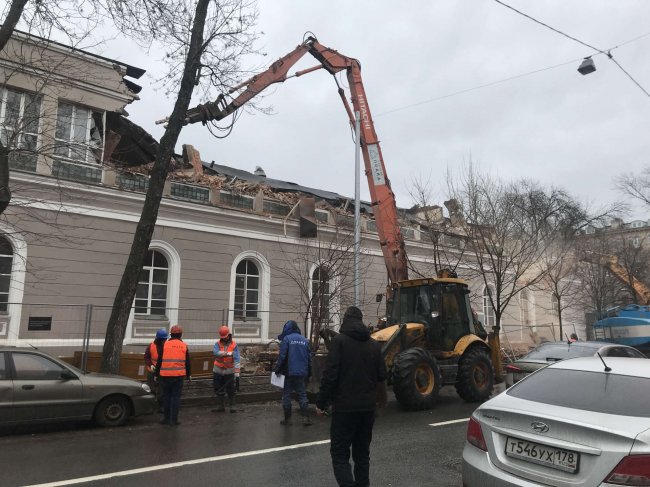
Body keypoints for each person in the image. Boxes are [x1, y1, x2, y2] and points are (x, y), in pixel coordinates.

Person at [316, 306, 388, 487]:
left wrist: (321, 403)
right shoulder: (373, 345)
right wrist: (381, 402)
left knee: (340, 454)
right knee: (362, 455)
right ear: (361, 320)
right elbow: (382, 377)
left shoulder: (339, 342)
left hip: (344, 409)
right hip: (367, 409)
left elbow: (330, 375)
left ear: (345, 320)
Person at [274, 320, 312, 426]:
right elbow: (309, 358)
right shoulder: (305, 340)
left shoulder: (287, 339)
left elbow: (282, 357)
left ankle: (288, 419)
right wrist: (309, 372)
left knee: (286, 395)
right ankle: (306, 418)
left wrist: (277, 369)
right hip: (301, 373)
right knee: (302, 394)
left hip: (288, 373)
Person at [155, 325, 191, 426]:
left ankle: (166, 419)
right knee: (175, 398)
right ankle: (173, 420)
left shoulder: (165, 345)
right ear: (180, 334)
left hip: (165, 375)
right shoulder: (184, 346)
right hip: (178, 376)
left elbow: (159, 360)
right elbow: (187, 362)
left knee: (166, 397)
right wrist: (188, 375)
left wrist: (156, 374)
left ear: (171, 334)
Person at [212, 325, 240, 413]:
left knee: (231, 389)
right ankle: (220, 406)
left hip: (229, 371)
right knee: (218, 388)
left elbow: (237, 359)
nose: (224, 338)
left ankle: (232, 406)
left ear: (229, 335)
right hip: (218, 370)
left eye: (225, 336)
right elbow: (215, 353)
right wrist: (228, 353)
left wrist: (237, 372)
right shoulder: (217, 343)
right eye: (222, 337)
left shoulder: (234, 345)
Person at [144, 328, 167, 412]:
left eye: (165, 339)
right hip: (152, 371)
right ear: (158, 339)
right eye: (163, 339)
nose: (164, 341)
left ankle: (161, 406)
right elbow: (146, 357)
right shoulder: (151, 346)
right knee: (151, 389)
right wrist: (150, 365)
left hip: (162, 371)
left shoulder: (166, 346)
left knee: (162, 389)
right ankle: (150, 407)